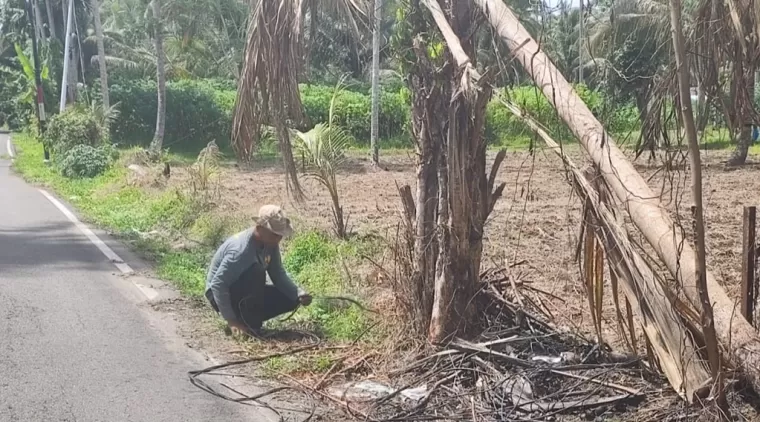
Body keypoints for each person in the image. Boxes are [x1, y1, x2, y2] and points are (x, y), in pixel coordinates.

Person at [204, 205, 312, 337]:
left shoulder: (270, 244)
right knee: (256, 272)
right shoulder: (241, 251)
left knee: (291, 297)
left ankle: (248, 319)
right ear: (260, 228)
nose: (278, 239)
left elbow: (277, 273)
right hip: (218, 294)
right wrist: (231, 321)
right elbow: (218, 284)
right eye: (274, 234)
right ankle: (246, 322)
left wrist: (298, 293)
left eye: (279, 235)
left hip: (244, 290)